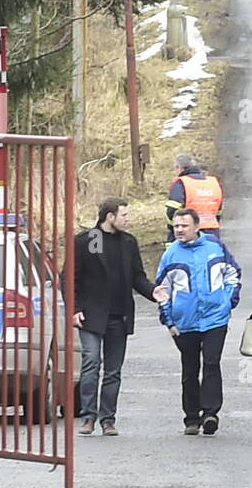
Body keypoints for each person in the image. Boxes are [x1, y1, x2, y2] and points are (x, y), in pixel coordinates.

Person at [73, 198, 168, 437]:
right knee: (91, 363)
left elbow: (138, 277)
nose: (128, 219)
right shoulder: (89, 240)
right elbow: (71, 278)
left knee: (113, 371)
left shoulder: (128, 242)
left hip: (119, 315)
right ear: (110, 217)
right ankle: (88, 416)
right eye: (124, 215)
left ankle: (108, 419)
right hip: (91, 315)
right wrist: (74, 309)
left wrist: (152, 291)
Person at [156, 208, 242, 436]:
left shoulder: (215, 246)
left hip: (215, 318)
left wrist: (228, 300)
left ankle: (211, 413)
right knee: (190, 369)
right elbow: (162, 290)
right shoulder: (170, 255)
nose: (179, 230)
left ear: (196, 227)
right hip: (185, 323)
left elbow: (232, 273)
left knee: (212, 363)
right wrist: (169, 320)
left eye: (184, 226)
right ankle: (191, 418)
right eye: (176, 226)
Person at [164, 152, 225, 243]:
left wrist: (174, 227)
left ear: (179, 168)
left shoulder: (181, 183)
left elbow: (173, 210)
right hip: (212, 231)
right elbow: (218, 210)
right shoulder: (213, 182)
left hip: (188, 233)